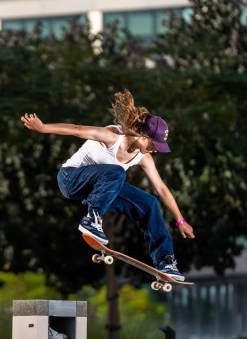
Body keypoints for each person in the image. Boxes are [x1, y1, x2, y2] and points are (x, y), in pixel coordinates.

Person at [20, 90, 195, 281]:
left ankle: (165, 261)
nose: (156, 150)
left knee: (149, 203)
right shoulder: (112, 136)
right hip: (70, 179)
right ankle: (92, 219)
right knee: (117, 172)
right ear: (143, 135)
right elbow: (76, 129)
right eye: (155, 145)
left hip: (99, 189)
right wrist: (44, 128)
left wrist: (180, 220)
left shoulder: (144, 157)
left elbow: (161, 188)